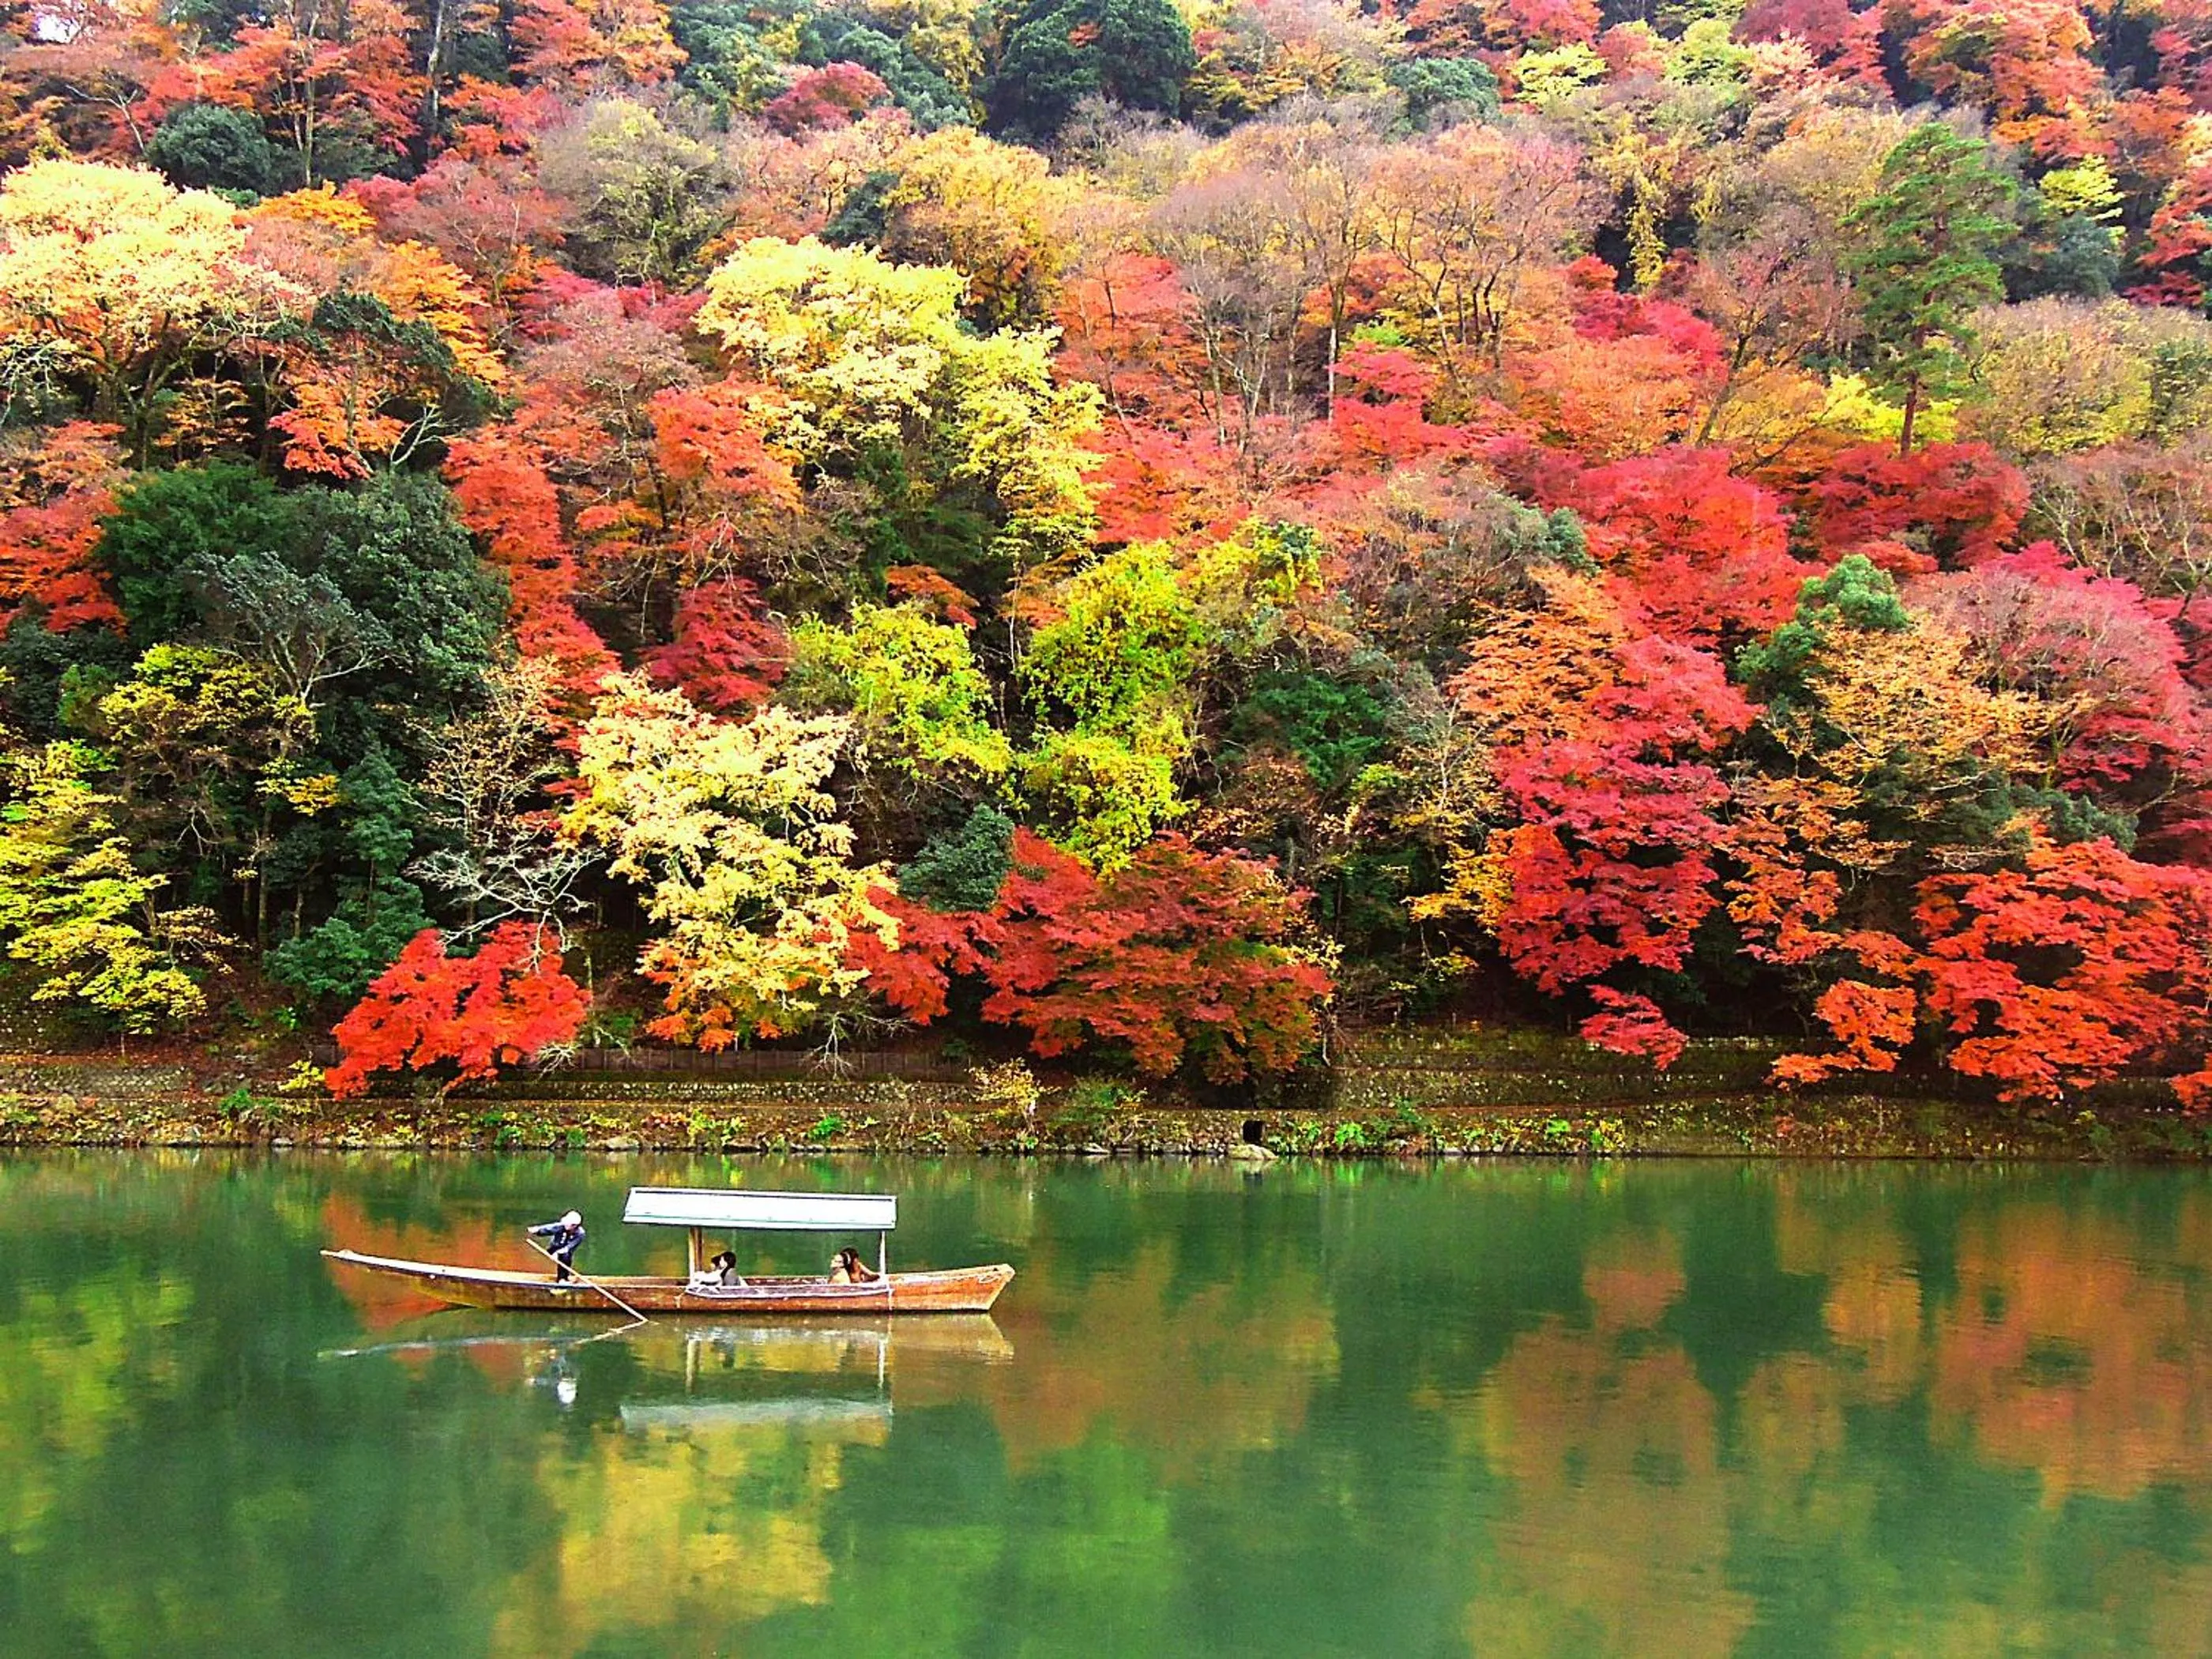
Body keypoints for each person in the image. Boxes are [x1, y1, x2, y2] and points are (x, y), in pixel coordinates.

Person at [527, 1210, 586, 1281]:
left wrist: (558, 1253)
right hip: (554, 1248)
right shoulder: (561, 1227)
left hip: (566, 1252)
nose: (566, 1225)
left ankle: (563, 1279)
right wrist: (538, 1230)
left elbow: (570, 1246)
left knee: (566, 1257)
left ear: (575, 1225)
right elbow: (549, 1228)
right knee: (562, 1254)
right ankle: (562, 1279)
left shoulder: (580, 1234)